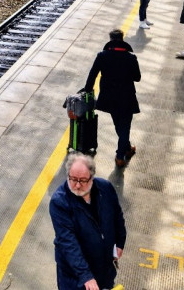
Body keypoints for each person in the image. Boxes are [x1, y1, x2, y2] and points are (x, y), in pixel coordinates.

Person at [50, 153, 126, 290]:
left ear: (92, 177)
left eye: (83, 180)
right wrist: (85, 275)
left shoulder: (106, 188)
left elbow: (117, 217)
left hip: (104, 269)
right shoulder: (60, 202)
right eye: (73, 179)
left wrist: (120, 242)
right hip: (75, 277)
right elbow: (68, 242)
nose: (77, 185)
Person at [85, 29, 141, 167]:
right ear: (122, 39)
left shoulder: (102, 55)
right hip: (127, 96)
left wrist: (87, 90)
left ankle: (126, 149)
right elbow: (137, 78)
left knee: (119, 124)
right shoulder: (131, 57)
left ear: (110, 39)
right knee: (125, 125)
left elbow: (93, 74)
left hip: (109, 96)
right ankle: (120, 155)